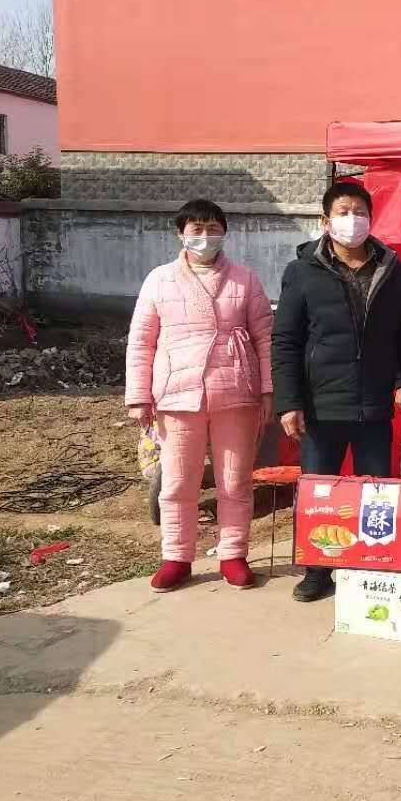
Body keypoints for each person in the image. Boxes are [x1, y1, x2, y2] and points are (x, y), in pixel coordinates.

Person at [273, 181, 401, 603]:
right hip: (321, 404)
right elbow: (285, 340)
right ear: (326, 221)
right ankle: (317, 569)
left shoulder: (390, 269)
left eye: (359, 212)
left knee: (377, 493)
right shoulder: (302, 271)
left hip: (373, 404)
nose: (352, 220)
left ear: (370, 219)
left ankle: (373, 566)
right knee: (320, 493)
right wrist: (289, 401)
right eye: (343, 212)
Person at [125, 199, 274, 592]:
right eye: (196, 228)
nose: (205, 236)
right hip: (177, 393)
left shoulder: (245, 279)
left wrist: (268, 389)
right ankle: (176, 556)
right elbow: (141, 341)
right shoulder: (159, 280)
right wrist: (138, 396)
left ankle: (234, 554)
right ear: (181, 234)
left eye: (212, 228)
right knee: (177, 481)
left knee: (235, 481)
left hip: (235, 391)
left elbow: (265, 337)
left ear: (224, 232)